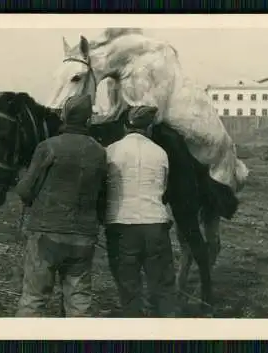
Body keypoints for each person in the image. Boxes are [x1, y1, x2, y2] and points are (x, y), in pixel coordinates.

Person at [14, 94, 107, 317]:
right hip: (83, 237)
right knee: (79, 300)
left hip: (47, 235)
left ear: (64, 116)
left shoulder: (48, 147)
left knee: (34, 299)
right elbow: (102, 196)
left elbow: (25, 191)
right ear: (88, 119)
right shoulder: (99, 152)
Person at [104, 105, 177, 318]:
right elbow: (162, 188)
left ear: (126, 126)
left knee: (128, 288)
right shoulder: (160, 153)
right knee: (163, 287)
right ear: (149, 128)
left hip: (121, 225)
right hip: (155, 224)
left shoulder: (111, 151)